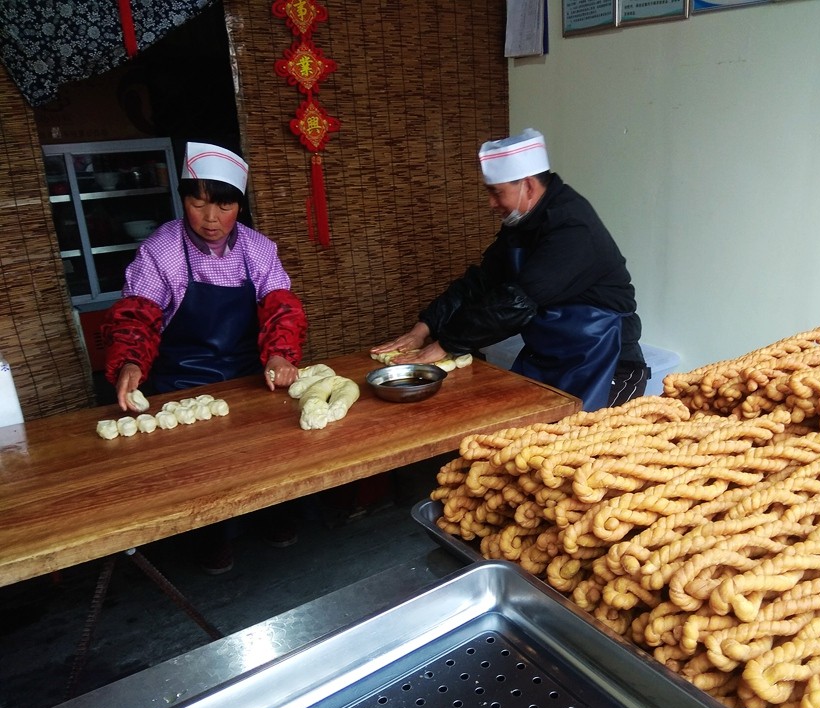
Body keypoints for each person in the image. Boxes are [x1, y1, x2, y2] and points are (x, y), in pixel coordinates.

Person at [102, 141, 309, 574]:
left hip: (251, 376)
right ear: (184, 201)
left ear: (239, 205)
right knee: (201, 472)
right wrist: (130, 361)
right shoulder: (161, 252)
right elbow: (137, 316)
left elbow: (281, 307)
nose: (210, 219)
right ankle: (210, 537)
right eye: (198, 204)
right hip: (183, 381)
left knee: (266, 456)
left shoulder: (258, 250)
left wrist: (280, 354)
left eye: (224, 205)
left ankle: (274, 515)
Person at [372, 128, 648, 410]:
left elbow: (514, 303)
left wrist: (446, 345)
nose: (491, 203)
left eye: (496, 192)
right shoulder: (521, 224)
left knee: (581, 448)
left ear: (527, 186)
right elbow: (481, 283)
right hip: (548, 361)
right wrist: (424, 327)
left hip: (610, 365)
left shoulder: (573, 228)